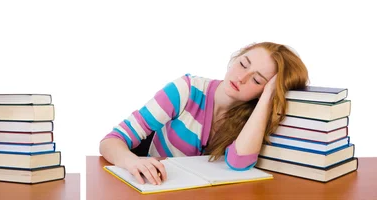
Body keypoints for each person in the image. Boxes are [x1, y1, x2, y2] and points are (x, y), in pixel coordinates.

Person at [99, 42, 309, 185]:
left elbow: (239, 163)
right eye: (243, 64)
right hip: (160, 189)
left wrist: (268, 96)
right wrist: (132, 161)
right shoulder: (186, 90)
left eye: (256, 80)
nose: (242, 77)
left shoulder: (254, 118)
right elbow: (111, 141)